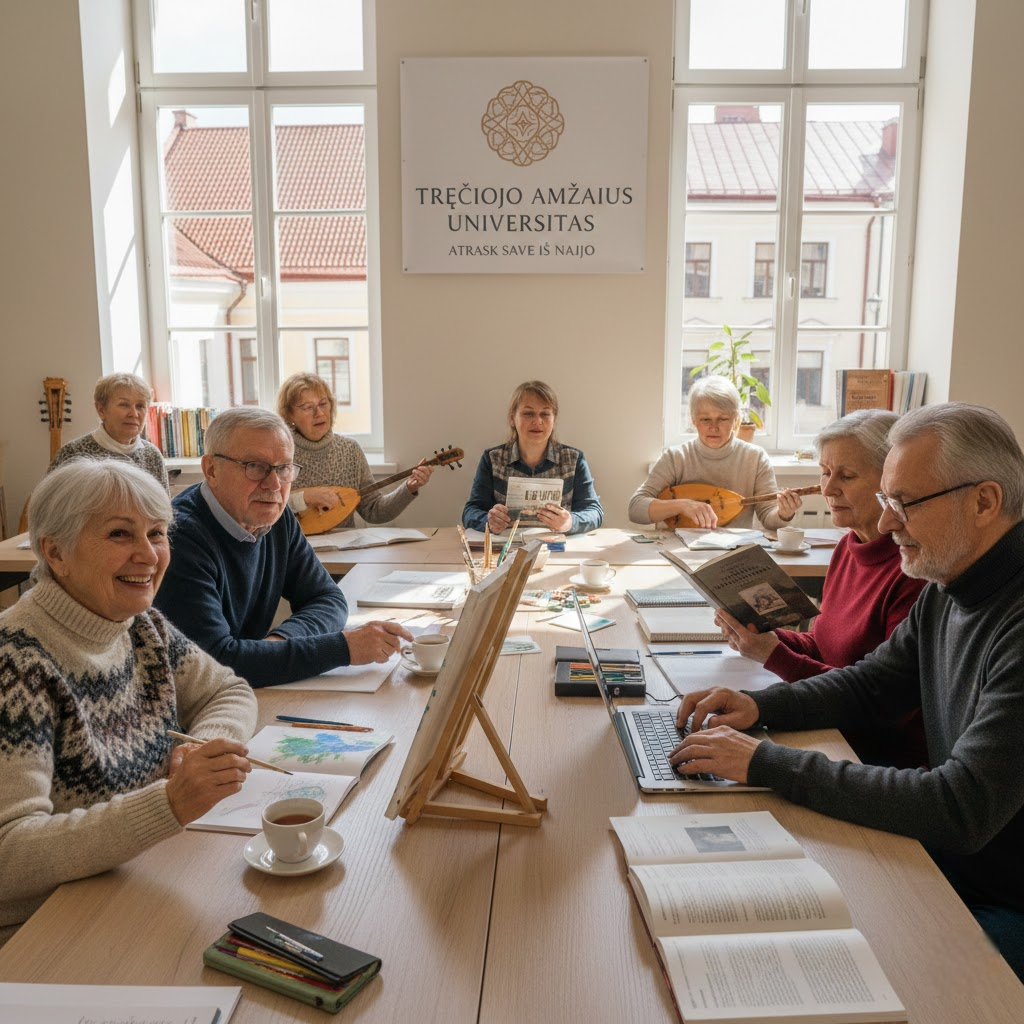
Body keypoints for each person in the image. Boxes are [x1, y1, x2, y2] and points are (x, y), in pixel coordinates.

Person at [669, 402, 1024, 981]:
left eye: (904, 503)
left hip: (1001, 895)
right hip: (954, 861)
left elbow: (962, 808)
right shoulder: (949, 580)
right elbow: (874, 682)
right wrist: (759, 706)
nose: (886, 524)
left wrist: (767, 761)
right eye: (886, 501)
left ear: (984, 502)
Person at [0, 460, 257, 943]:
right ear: (56, 552)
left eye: (157, 533)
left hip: (136, 878)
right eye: (120, 534)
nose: (148, 554)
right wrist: (169, 802)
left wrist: (203, 747)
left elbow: (228, 690)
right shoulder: (14, 663)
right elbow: (9, 854)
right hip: (42, 929)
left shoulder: (142, 625)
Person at [715, 409, 927, 768]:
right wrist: (765, 636)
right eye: (825, 472)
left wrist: (774, 655)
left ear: (890, 482)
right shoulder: (848, 545)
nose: (827, 489)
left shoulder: (914, 572)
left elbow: (877, 703)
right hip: (829, 727)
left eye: (846, 475)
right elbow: (826, 647)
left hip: (867, 755)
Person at [153, 406, 411, 687]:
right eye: (256, 467)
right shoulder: (179, 538)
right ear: (212, 469)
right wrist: (343, 648)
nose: (274, 484)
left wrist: (278, 643)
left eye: (284, 468)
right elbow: (215, 663)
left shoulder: (276, 517)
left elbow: (328, 599)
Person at [628, 375, 800, 530]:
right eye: (705, 419)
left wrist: (784, 513)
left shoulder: (755, 458)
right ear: (694, 420)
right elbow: (635, 509)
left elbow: (768, 517)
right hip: (677, 550)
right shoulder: (676, 457)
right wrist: (683, 506)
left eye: (723, 419)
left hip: (734, 554)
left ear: (736, 420)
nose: (713, 427)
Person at [277, 372, 433, 524]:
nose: (319, 413)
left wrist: (409, 487)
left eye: (323, 404)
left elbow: (374, 511)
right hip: (295, 548)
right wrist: (304, 497)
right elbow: (267, 510)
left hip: (345, 548)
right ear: (289, 414)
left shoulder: (349, 450)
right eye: (307, 407)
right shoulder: (279, 452)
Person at [462, 380, 603, 536]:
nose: (537, 421)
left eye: (545, 413)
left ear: (554, 420)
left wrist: (570, 522)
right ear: (512, 419)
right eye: (528, 413)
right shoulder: (492, 459)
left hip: (557, 550)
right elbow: (470, 511)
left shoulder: (574, 459)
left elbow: (594, 512)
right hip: (505, 550)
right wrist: (488, 521)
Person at [48, 372, 169, 491]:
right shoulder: (72, 453)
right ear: (101, 410)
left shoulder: (152, 455)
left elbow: (164, 508)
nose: (134, 414)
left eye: (140, 406)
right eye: (124, 405)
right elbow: (48, 506)